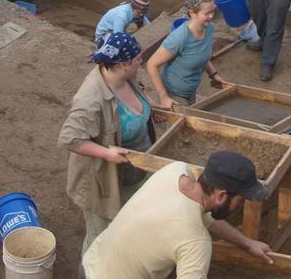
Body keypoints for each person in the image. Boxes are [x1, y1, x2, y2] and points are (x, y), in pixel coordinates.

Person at [79, 151, 273, 279]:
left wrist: (247, 243)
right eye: (240, 200)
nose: (240, 205)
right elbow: (192, 227)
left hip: (90, 265)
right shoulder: (195, 241)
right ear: (221, 195)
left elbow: (204, 218)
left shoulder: (175, 171)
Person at [59, 32, 156, 255]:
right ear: (123, 64)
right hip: (102, 179)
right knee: (100, 238)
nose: (141, 61)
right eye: (138, 59)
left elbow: (139, 93)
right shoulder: (91, 97)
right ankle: (89, 269)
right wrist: (106, 154)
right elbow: (69, 138)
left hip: (133, 170)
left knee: (128, 221)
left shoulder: (124, 77)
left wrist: (153, 108)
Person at [146, 0, 227, 109]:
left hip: (190, 93)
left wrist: (214, 75)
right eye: (206, 13)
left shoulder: (209, 28)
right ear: (192, 13)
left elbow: (202, 55)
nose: (211, 16)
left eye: (212, 11)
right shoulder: (180, 37)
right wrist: (164, 98)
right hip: (174, 95)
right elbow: (151, 64)